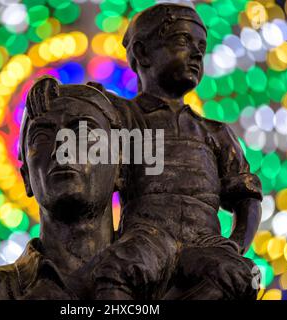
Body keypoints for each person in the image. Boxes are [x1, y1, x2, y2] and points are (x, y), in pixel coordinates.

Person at [82, 3, 263, 300]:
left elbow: (247, 197)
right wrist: (47, 92)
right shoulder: (121, 116)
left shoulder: (214, 132)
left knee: (242, 278)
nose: (196, 54)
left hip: (206, 243)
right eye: (183, 41)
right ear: (142, 53)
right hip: (145, 238)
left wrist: (235, 246)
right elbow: (78, 109)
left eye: (201, 47)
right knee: (114, 271)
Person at [0, 77, 123, 299]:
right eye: (42, 137)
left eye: (83, 133)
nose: (62, 149)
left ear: (121, 168)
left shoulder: (166, 289)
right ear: (26, 178)